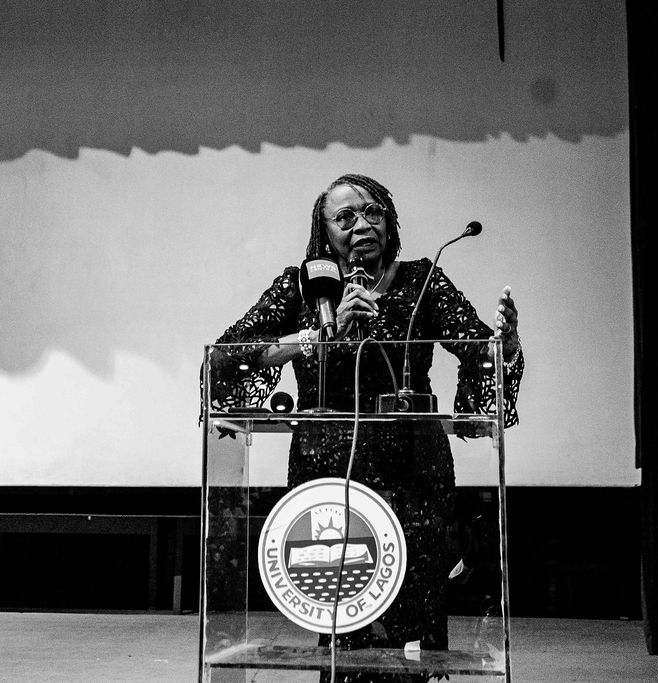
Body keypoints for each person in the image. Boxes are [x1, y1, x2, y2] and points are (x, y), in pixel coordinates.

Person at [207, 173, 523, 681]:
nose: (362, 225)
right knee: (343, 612)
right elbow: (226, 359)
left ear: (389, 221)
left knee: (411, 616)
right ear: (324, 231)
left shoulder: (422, 280)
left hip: (412, 471)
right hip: (328, 474)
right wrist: (318, 334)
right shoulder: (302, 286)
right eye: (345, 217)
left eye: (373, 212)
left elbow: (479, 350)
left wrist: (503, 346)